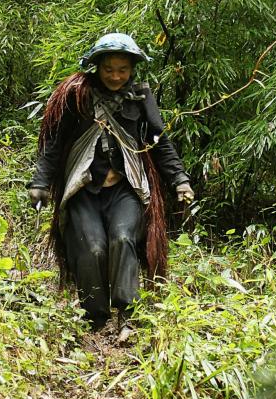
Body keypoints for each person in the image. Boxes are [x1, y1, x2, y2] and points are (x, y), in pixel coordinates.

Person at [28, 32, 194, 342]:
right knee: (91, 248)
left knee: (122, 239)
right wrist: (40, 183)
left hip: (125, 188)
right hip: (84, 189)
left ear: (132, 69)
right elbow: (55, 144)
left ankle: (126, 316)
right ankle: (95, 317)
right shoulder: (76, 96)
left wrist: (179, 180)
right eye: (109, 70)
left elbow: (160, 145)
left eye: (123, 70)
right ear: (96, 67)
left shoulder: (142, 100)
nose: (116, 76)